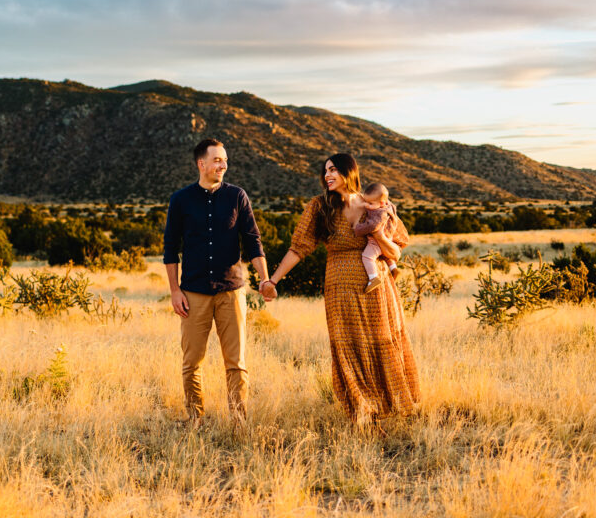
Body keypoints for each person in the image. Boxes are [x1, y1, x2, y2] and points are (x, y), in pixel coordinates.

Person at [260, 153, 419, 429]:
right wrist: (272, 281)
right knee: (347, 345)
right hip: (339, 287)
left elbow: (396, 250)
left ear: (349, 172)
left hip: (377, 285)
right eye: (325, 172)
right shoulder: (319, 206)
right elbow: (299, 248)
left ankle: (390, 407)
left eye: (333, 170)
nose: (327, 176)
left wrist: (379, 236)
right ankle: (361, 410)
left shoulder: (376, 204)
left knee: (381, 341)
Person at [163, 138, 271, 425]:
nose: (223, 164)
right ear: (201, 164)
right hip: (193, 293)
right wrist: (175, 291)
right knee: (191, 363)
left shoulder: (237, 196)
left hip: (231, 292)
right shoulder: (181, 200)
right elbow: (170, 249)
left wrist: (265, 278)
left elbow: (253, 241)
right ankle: (195, 419)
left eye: (224, 159)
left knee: (236, 363)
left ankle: (239, 421)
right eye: (217, 160)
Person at [355, 182, 400, 293]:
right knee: (385, 254)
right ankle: (393, 268)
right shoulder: (389, 207)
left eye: (370, 203)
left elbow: (372, 226)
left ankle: (373, 278)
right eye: (365, 202)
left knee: (367, 256)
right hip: (388, 238)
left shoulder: (378, 213)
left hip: (376, 241)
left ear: (381, 203)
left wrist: (358, 228)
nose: (366, 205)